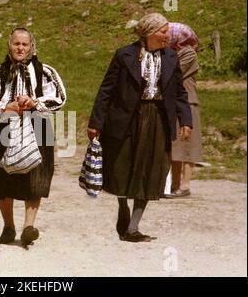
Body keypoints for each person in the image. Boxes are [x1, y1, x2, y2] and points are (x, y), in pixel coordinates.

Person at [86, 13, 192, 242]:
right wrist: (96, 122)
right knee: (122, 166)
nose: (167, 36)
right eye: (163, 31)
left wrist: (185, 120)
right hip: (126, 119)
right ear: (149, 32)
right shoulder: (124, 55)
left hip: (158, 119)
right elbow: (106, 90)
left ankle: (133, 227)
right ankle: (122, 205)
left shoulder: (171, 57)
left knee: (150, 170)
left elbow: (180, 93)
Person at [0, 28, 67, 247]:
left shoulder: (45, 72)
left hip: (38, 126)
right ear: (9, 45)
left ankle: (28, 227)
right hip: (3, 127)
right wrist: (5, 107)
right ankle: (8, 227)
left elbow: (60, 97)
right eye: (17, 44)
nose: (20, 48)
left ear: (31, 47)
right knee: (1, 176)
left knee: (36, 177)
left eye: (25, 44)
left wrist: (34, 103)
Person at [165, 22, 202, 198]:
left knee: (188, 146)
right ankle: (174, 185)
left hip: (188, 101)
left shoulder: (188, 53)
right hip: (175, 103)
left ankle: (185, 185)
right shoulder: (172, 53)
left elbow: (173, 72)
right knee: (176, 146)